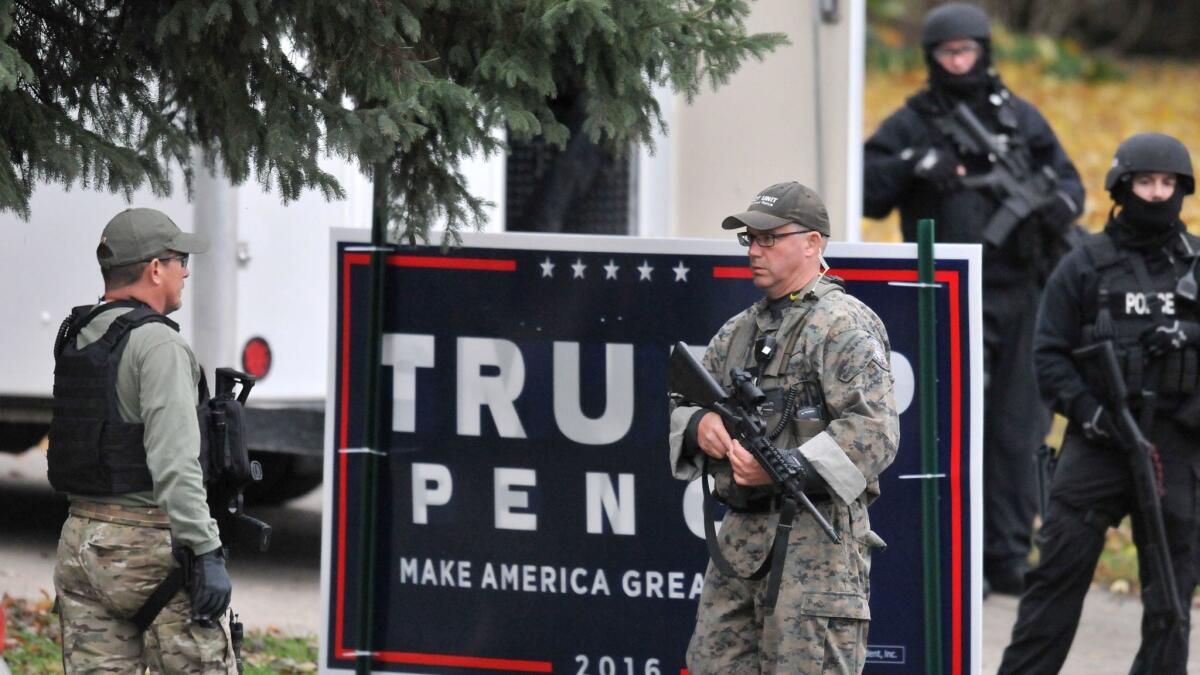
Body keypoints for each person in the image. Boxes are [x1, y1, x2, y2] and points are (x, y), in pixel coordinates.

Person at [862, 2, 1086, 595]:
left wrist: (1062, 201)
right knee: (955, 423)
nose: (959, 62)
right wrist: (916, 164)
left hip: (1024, 294)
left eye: (967, 52)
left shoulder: (1019, 118)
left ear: (984, 53)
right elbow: (869, 187)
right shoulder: (915, 121)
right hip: (950, 295)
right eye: (947, 53)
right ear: (932, 58)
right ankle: (954, 554)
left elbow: (1067, 179)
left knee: (1020, 426)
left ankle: (1007, 555)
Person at [668, 181, 900, 673]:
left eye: (769, 238)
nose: (755, 250)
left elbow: (874, 434)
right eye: (749, 239)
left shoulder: (843, 326)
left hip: (816, 551)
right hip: (739, 545)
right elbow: (682, 401)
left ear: (814, 243)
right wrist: (699, 424)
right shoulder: (738, 331)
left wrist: (784, 468)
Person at [998, 133, 1199, 674]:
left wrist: (1186, 337)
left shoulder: (1197, 265)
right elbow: (1049, 357)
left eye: (1167, 184)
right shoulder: (1084, 265)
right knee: (1052, 589)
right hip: (1099, 442)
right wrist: (1091, 413)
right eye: (1144, 182)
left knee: (1171, 604)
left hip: (1178, 447)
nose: (1156, 195)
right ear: (1121, 186)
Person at [49, 208, 235, 672]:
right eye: (178, 260)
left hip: (79, 544)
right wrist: (206, 549)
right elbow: (174, 461)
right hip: (148, 554)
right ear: (155, 268)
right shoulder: (158, 344)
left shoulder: (81, 332)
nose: (186, 270)